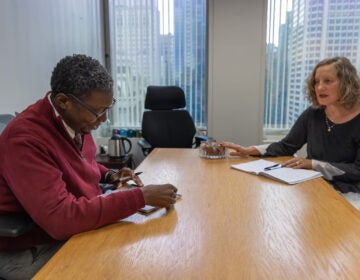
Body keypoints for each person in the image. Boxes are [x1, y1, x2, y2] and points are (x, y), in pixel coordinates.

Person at [0, 54, 178, 279]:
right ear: (64, 101)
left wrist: (109, 175)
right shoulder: (25, 139)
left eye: (107, 109)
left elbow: (81, 162)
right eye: (98, 111)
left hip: (70, 231)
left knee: (141, 254)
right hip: (31, 247)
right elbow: (60, 219)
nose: (103, 119)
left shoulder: (78, 121)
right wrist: (140, 197)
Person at [222, 56, 360, 193]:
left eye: (328, 81)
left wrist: (313, 164)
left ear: (347, 83)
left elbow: (357, 171)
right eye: (316, 82)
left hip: (351, 193)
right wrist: (249, 150)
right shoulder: (313, 113)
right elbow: (287, 146)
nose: (319, 87)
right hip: (315, 184)